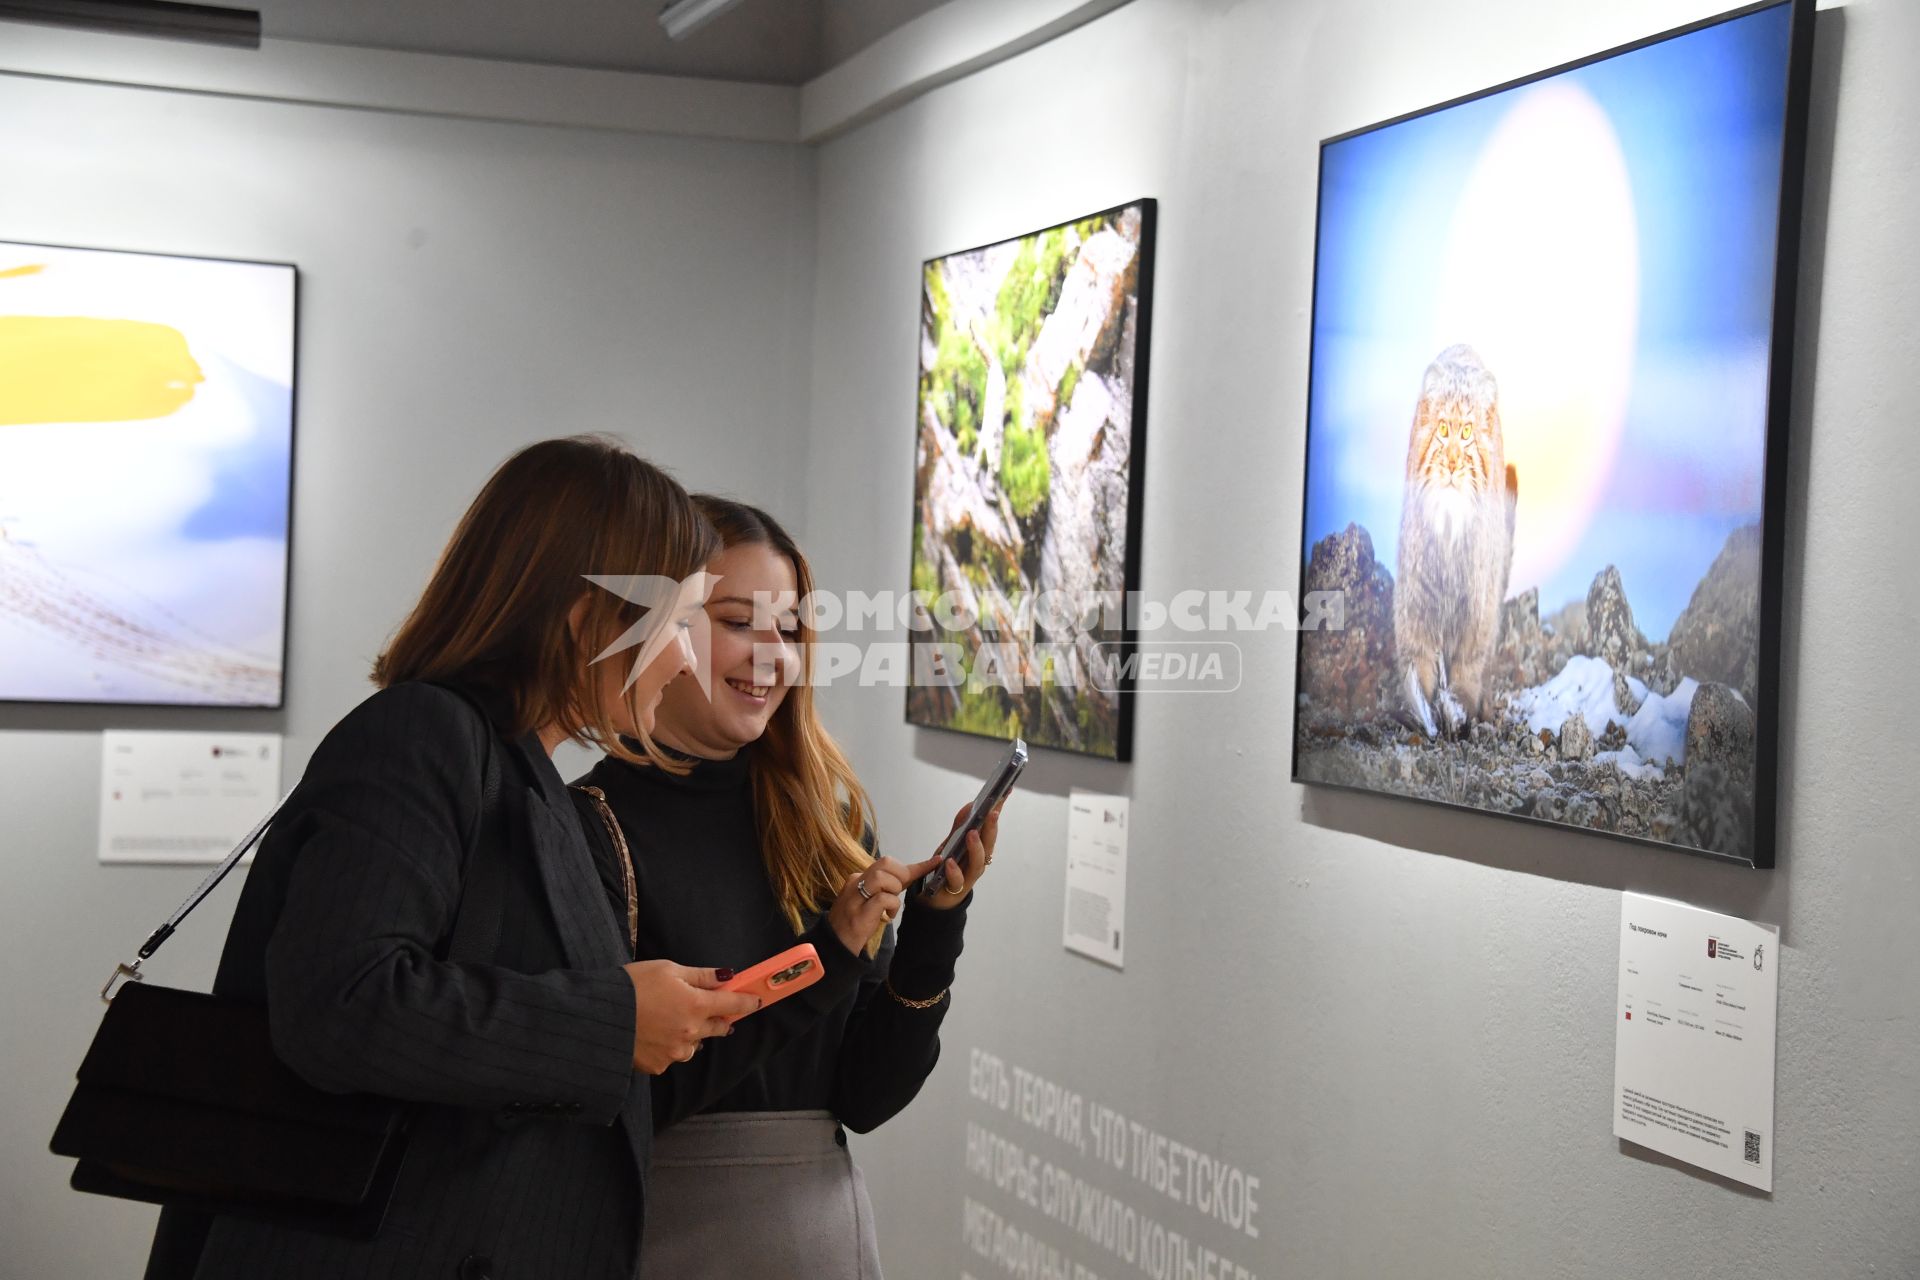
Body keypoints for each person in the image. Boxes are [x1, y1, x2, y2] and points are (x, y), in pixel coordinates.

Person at [146, 437, 760, 1280]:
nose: (688, 658)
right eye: (680, 623)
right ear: (587, 622)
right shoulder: (423, 737)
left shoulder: (532, 780)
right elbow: (342, 1002)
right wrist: (615, 1019)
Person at [572, 495, 999, 1278]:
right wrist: (826, 954)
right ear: (659, 629)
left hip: (824, 1235)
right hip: (656, 1234)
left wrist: (939, 923)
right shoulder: (587, 827)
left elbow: (866, 1099)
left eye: (791, 630)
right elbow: (618, 1101)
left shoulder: (824, 824)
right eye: (739, 621)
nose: (771, 655)